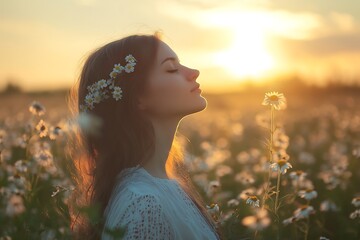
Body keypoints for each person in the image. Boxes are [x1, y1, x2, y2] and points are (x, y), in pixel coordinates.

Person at [67, 32, 223, 239]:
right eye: (171, 69)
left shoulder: (161, 188)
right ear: (137, 97)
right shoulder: (143, 205)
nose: (194, 72)